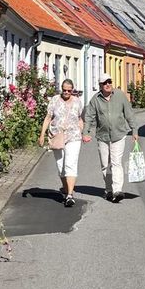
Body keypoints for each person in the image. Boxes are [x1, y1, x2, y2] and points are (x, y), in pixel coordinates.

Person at [84, 74, 137, 203]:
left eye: (110, 81)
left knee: (116, 162)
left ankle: (117, 190)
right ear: (100, 85)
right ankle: (108, 189)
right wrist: (86, 132)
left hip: (119, 135)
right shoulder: (96, 99)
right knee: (105, 165)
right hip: (102, 136)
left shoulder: (119, 95)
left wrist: (134, 130)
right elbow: (89, 116)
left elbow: (129, 113)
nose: (108, 84)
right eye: (105, 83)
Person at [39, 79, 89, 207]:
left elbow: (80, 119)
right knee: (61, 166)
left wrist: (83, 132)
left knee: (70, 164)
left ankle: (70, 195)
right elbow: (48, 117)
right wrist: (42, 135)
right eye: (64, 90)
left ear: (72, 90)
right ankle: (66, 190)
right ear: (61, 89)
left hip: (73, 136)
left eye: (69, 90)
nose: (66, 92)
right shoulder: (55, 100)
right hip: (57, 136)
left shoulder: (78, 102)